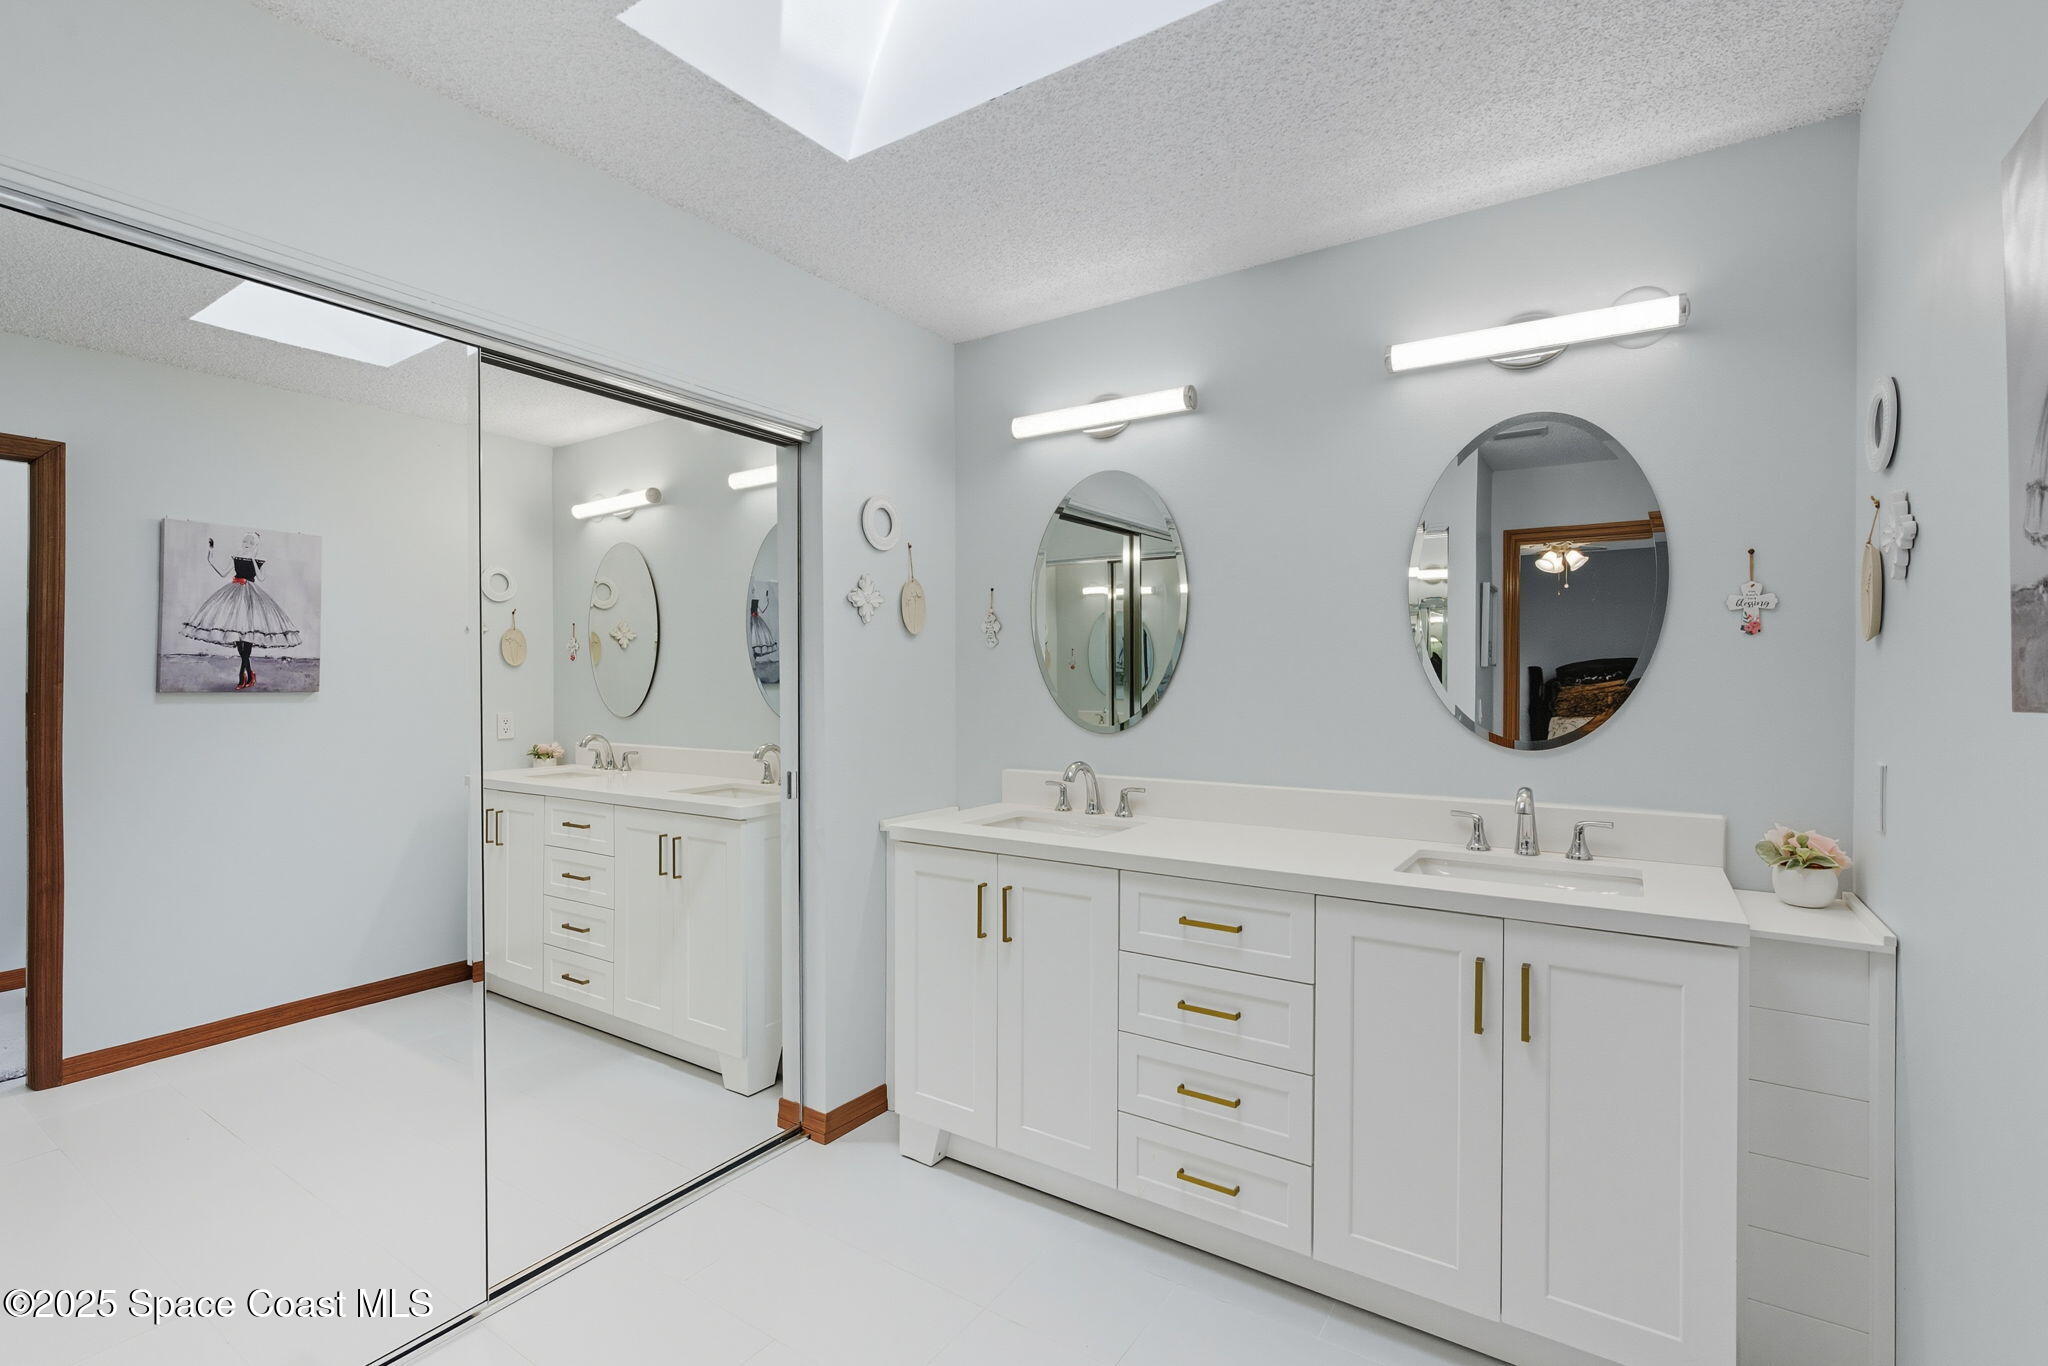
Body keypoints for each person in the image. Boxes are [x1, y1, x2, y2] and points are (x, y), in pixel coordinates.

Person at [181, 531, 302, 690]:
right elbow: (223, 572)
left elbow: (261, 578)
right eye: (246, 541)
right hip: (234, 593)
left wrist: (253, 558)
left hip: (251, 596)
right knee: (237, 633)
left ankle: (242, 676)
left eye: (251, 542)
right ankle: (250, 673)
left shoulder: (258, 560)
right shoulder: (236, 558)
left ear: (257, 546)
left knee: (248, 633)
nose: (247, 544)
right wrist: (210, 557)